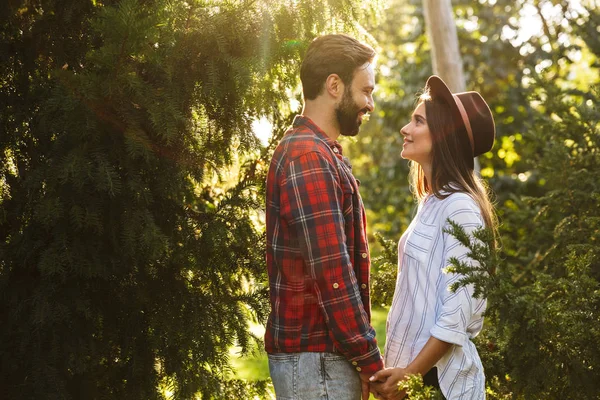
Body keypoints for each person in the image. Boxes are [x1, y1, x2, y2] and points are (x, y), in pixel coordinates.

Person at [265, 34, 384, 400]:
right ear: (335, 85)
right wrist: (370, 362)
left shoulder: (319, 152)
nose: (370, 104)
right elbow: (332, 273)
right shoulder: (309, 156)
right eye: (366, 90)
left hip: (320, 361)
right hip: (316, 362)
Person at [369, 76, 497, 400]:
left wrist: (408, 378)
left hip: (441, 385)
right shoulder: (432, 203)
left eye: (418, 121)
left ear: (442, 136)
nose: (405, 129)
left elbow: (454, 316)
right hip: (416, 380)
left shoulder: (461, 209)